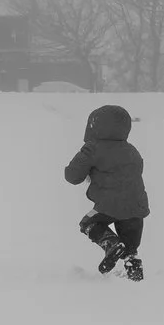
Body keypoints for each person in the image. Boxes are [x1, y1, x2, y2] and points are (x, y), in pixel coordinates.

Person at [63, 103, 148, 281]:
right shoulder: (132, 150)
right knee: (131, 249)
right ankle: (135, 277)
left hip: (108, 205)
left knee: (88, 223)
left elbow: (73, 176)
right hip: (136, 206)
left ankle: (112, 244)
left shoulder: (92, 148)